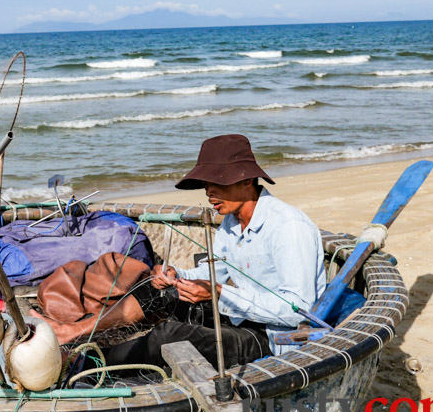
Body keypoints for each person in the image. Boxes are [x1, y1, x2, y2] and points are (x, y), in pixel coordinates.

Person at [103, 134, 326, 371]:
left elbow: (298, 309)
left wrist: (220, 293)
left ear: (247, 180)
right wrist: (175, 274)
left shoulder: (287, 226)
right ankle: (90, 336)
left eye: (218, 182)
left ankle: (89, 363)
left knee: (168, 335)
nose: (209, 192)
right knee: (160, 294)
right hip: (241, 319)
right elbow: (212, 272)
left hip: (276, 339)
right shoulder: (230, 223)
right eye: (206, 185)